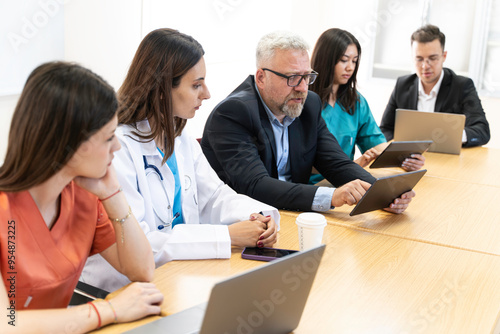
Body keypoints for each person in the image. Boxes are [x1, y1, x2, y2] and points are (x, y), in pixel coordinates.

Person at [81, 28, 279, 292]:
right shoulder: (118, 148)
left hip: (177, 276)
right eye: (196, 85)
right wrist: (227, 236)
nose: (206, 94)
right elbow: (144, 243)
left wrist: (258, 216)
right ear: (162, 89)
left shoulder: (179, 136)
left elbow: (215, 196)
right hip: (121, 288)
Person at [0, 62, 163, 333]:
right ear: (69, 143)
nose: (118, 146)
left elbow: (142, 271)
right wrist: (110, 310)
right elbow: (6, 325)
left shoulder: (84, 197)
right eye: (109, 137)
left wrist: (113, 195)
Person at [201, 31, 415, 213]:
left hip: (292, 213)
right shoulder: (232, 113)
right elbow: (256, 186)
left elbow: (335, 162)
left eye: (307, 76)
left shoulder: (307, 104)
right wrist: (332, 197)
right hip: (245, 221)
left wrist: (381, 193)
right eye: (293, 77)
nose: (303, 87)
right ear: (261, 78)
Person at [309, 28, 425, 184]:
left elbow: (376, 144)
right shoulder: (303, 102)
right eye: (344, 60)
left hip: (345, 182)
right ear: (326, 59)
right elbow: (296, 160)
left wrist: (403, 158)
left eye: (354, 61)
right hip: (310, 185)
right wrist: (349, 166)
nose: (350, 67)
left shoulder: (356, 101)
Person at [379, 24, 490, 147]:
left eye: (433, 58)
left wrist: (453, 136)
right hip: (409, 159)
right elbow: (385, 129)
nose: (425, 66)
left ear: (444, 56)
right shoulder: (403, 85)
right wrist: (402, 145)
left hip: (446, 159)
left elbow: (482, 131)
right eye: (419, 59)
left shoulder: (462, 86)